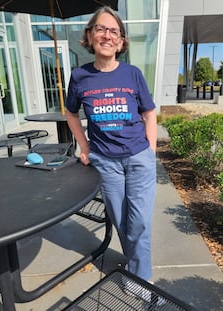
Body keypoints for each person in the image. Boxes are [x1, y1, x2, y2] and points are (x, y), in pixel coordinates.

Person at [65, 6, 157, 282]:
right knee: (121, 220)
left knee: (139, 223)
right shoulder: (79, 76)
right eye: (100, 29)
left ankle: (142, 278)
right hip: (106, 162)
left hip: (139, 157)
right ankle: (135, 262)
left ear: (121, 41)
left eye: (113, 31)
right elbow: (70, 113)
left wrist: (150, 150)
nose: (107, 35)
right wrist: (84, 146)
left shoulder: (133, 74)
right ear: (90, 36)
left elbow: (149, 113)